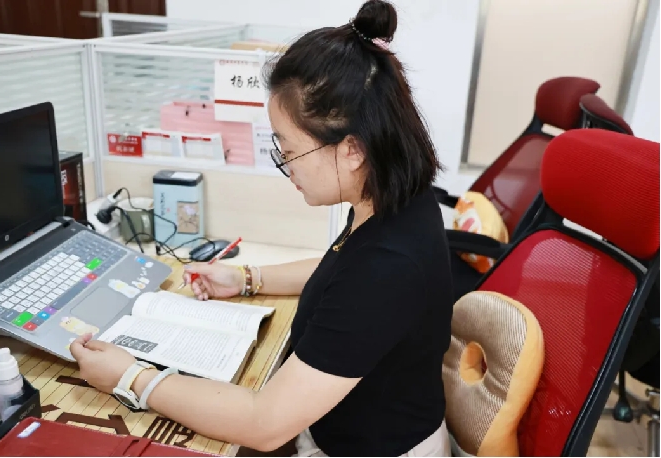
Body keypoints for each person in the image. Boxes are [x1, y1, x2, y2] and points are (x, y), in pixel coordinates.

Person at [70, 1, 454, 455]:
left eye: (289, 151)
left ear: (352, 150)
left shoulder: (389, 264)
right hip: (337, 430)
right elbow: (343, 268)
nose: (286, 167)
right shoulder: (395, 202)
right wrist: (248, 278)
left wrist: (131, 377)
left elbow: (264, 424)